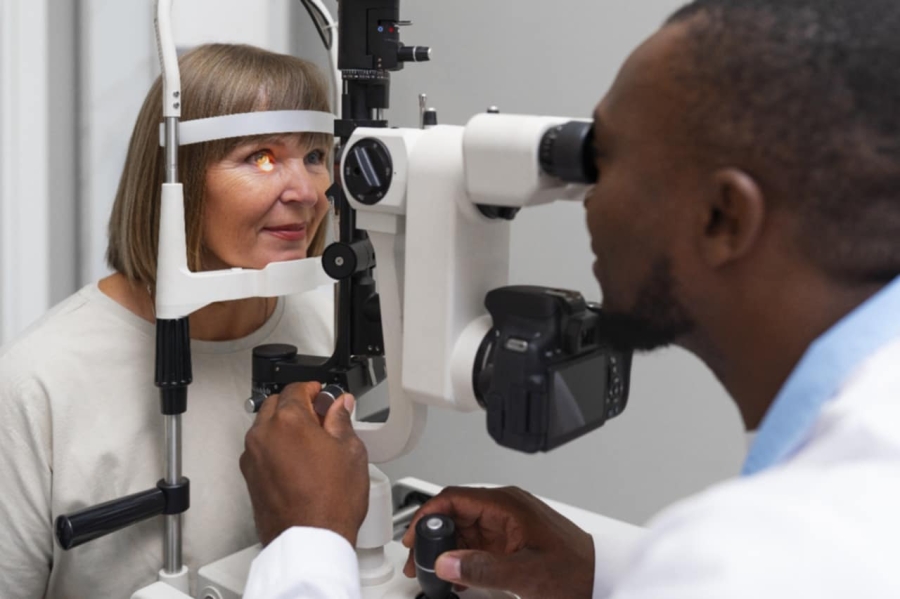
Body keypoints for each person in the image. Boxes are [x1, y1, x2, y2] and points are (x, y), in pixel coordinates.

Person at [239, 0, 900, 597]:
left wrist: (307, 540)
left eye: (607, 165)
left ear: (724, 217)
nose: (589, 202)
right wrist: (599, 568)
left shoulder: (779, 546)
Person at [0, 43, 336, 598]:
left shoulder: (328, 330)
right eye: (262, 157)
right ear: (174, 178)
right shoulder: (38, 383)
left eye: (316, 156)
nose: (307, 193)